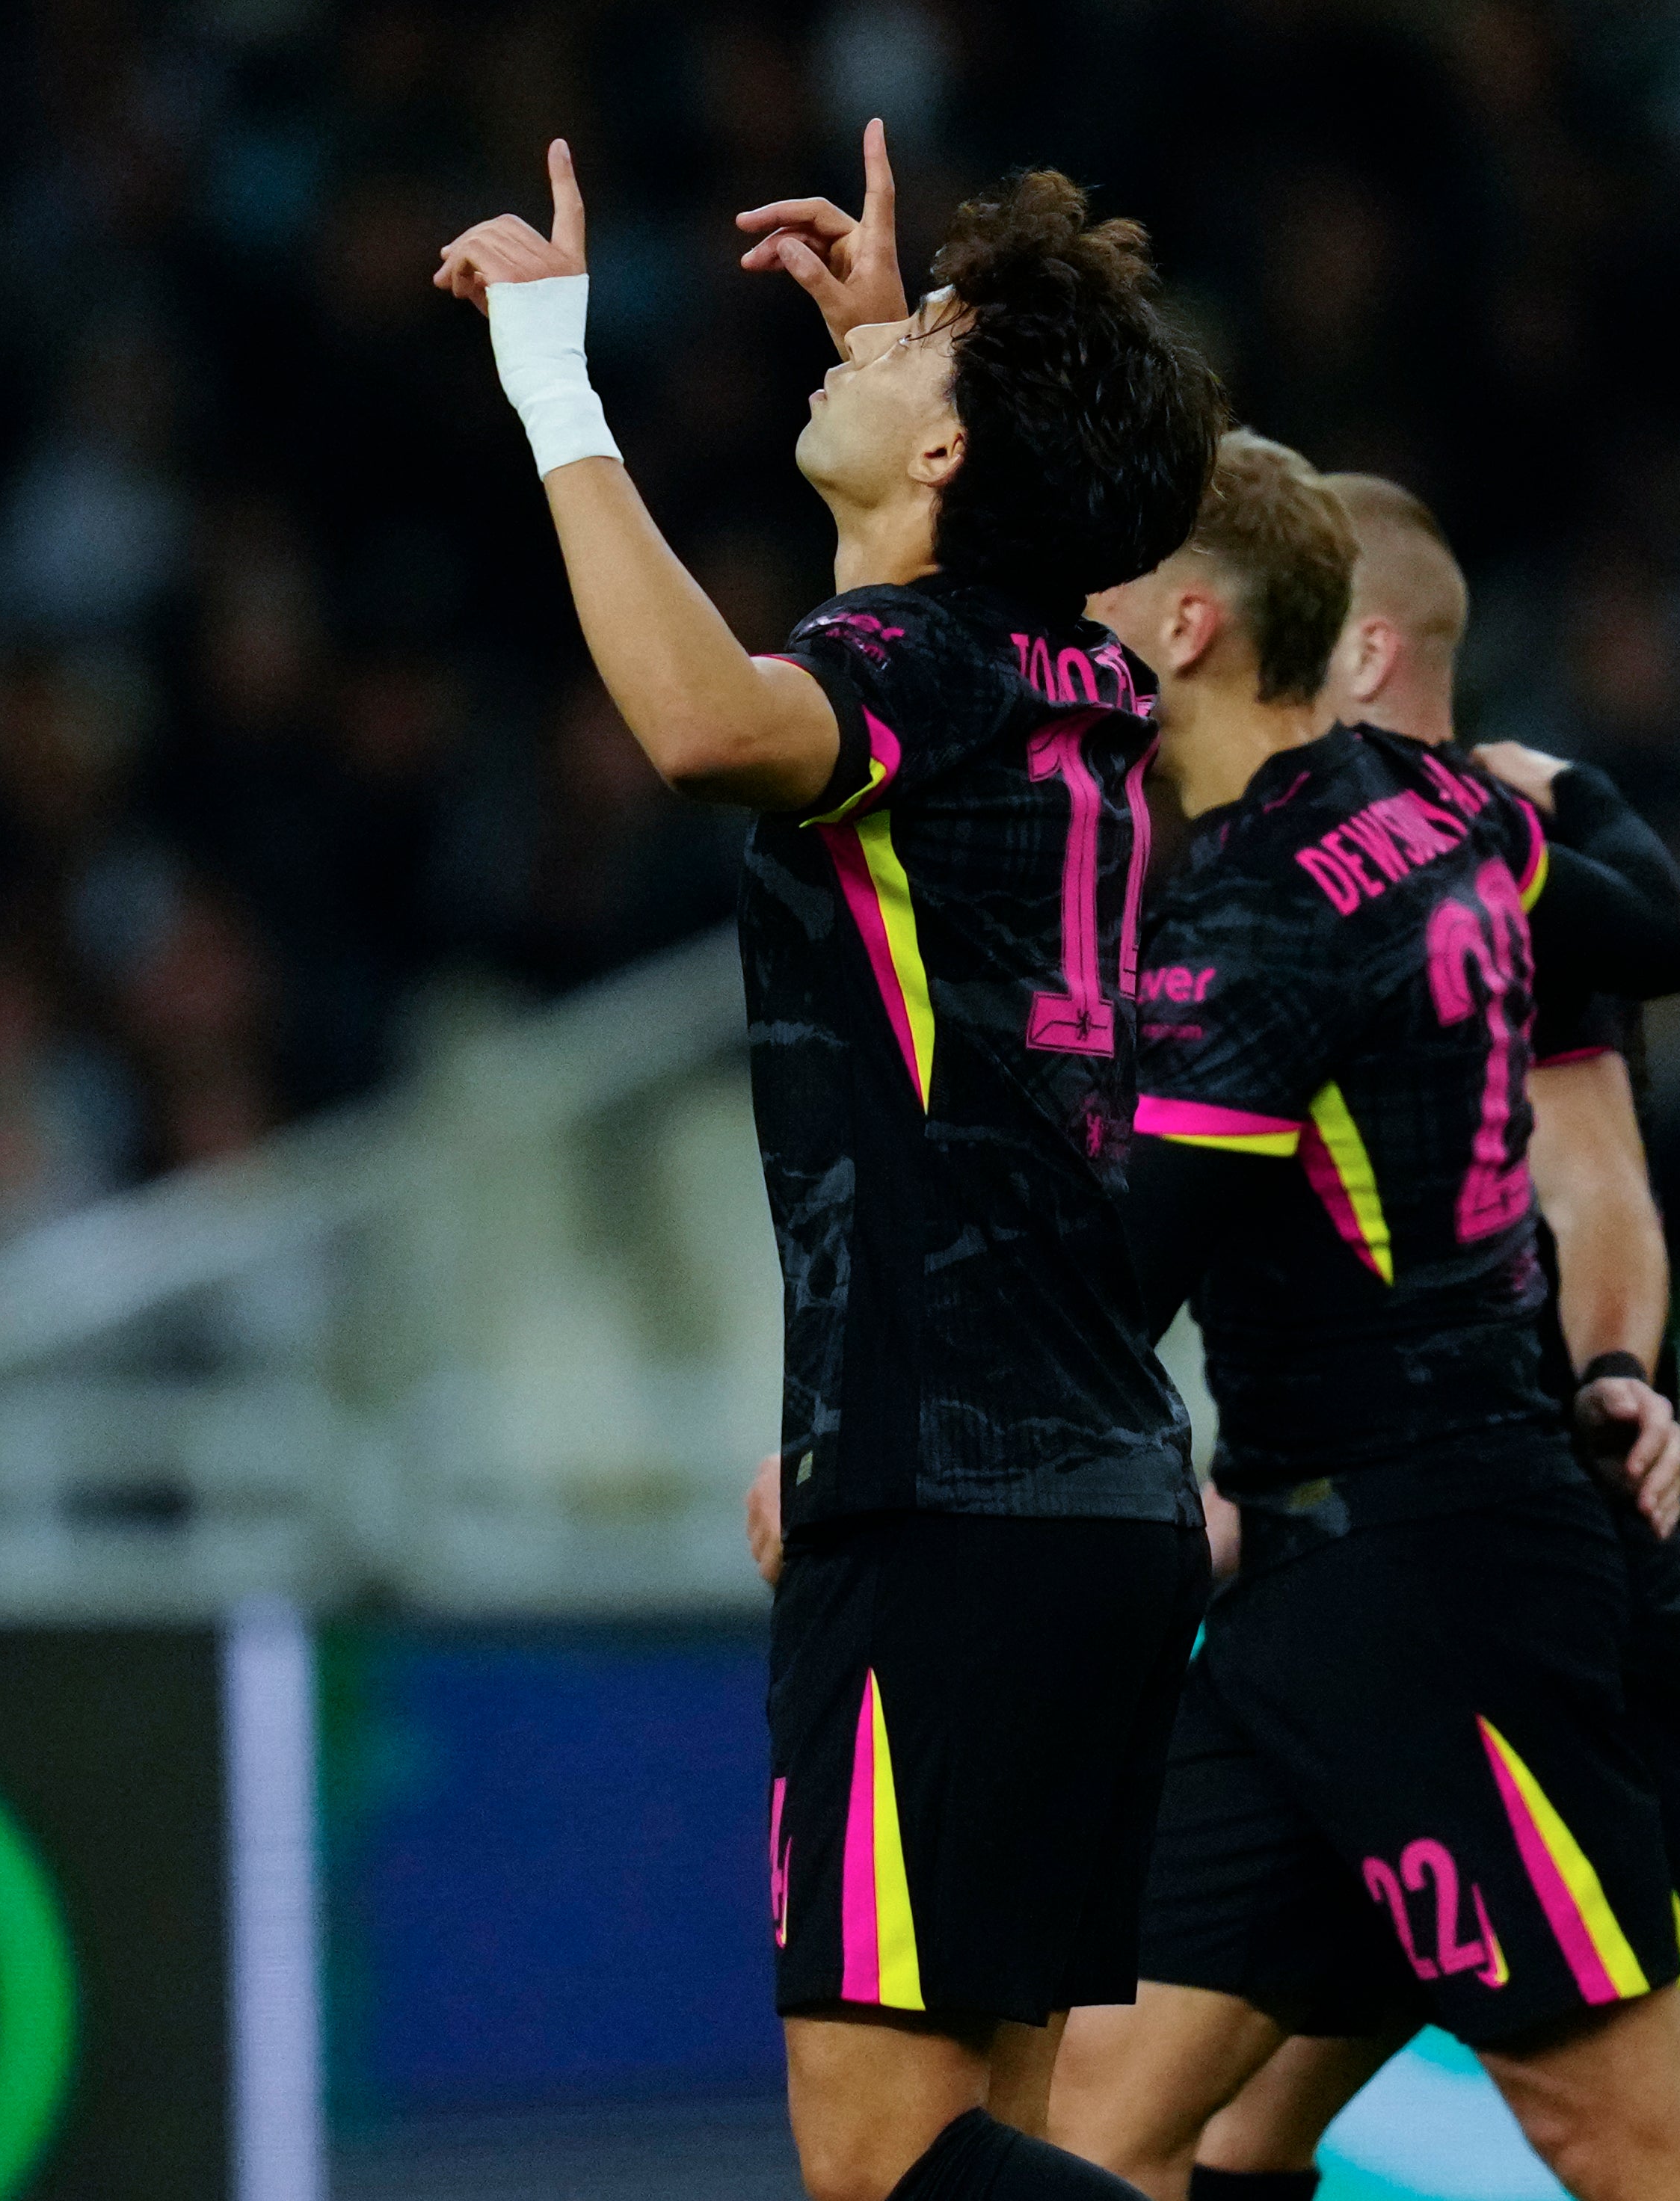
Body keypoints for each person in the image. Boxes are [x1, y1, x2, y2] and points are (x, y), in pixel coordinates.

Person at [438, 128, 1227, 2201]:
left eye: (925, 359)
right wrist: (914, 350)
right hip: (1087, 1491)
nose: (865, 360)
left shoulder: (919, 676)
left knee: (887, 2165)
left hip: (947, 1500)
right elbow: (1018, 558)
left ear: (961, 462)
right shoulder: (1082, 684)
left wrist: (551, 376)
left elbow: (706, 726)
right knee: (1006, 2136)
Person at [1069, 470, 1680, 2200]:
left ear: (1196, 625)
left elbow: (1117, 1279)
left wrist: (880, 1428)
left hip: (1437, 1571)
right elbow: (1651, 930)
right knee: (1118, 2121)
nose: (1070, 637)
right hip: (1336, 1582)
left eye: (1104, 604)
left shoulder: (1256, 915)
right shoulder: (1450, 815)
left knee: (1634, 2116)